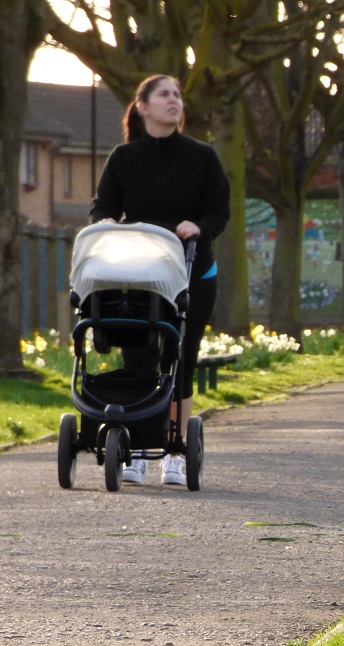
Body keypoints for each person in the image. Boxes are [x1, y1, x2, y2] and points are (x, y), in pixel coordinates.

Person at [90, 74, 231, 486]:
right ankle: (133, 448)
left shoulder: (202, 157)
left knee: (181, 358)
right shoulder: (123, 158)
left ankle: (175, 449)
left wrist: (197, 225)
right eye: (164, 94)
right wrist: (110, 227)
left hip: (191, 270)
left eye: (178, 95)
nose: (174, 100)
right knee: (137, 354)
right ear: (144, 107)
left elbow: (219, 211)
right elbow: (101, 209)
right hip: (136, 274)